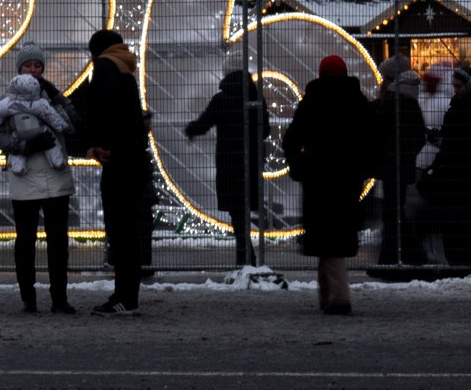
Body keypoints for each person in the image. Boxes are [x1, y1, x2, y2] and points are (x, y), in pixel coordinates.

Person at [69, 29, 150, 316]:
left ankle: (124, 298)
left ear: (95, 50)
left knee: (120, 233)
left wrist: (98, 145)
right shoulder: (125, 66)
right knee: (129, 232)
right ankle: (128, 295)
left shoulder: (105, 66)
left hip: (119, 162)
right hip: (135, 161)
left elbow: (104, 108)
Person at [285, 55, 373, 313]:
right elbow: (371, 138)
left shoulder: (313, 100)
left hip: (318, 179)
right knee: (336, 238)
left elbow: (292, 138)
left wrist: (299, 166)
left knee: (326, 240)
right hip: (347, 179)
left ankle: (337, 298)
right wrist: (364, 168)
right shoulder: (358, 101)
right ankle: (328, 295)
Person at [0, 71, 74, 313]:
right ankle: (28, 297)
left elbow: (72, 125)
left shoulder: (52, 99)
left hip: (55, 180)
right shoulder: (7, 103)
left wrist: (59, 99)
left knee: (58, 241)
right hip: (25, 179)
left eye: (37, 64)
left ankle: (59, 298)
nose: (33, 69)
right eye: (28, 65)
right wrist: (24, 146)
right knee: (25, 241)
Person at [182, 67, 265, 267]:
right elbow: (266, 129)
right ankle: (246, 258)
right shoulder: (256, 101)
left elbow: (204, 123)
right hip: (251, 163)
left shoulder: (222, 99)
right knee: (243, 211)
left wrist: (190, 129)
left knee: (237, 214)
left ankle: (245, 258)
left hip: (229, 163)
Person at [371, 61, 430, 272]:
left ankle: (397, 257)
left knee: (392, 212)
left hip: (389, 165)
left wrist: (384, 153)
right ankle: (407, 255)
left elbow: (378, 133)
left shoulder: (389, 103)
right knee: (397, 211)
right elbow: (419, 136)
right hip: (403, 166)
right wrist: (407, 154)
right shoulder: (410, 103)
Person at [419, 66, 471, 271]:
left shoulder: (455, 107)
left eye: (458, 86)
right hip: (455, 170)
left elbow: (456, 142)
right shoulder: (453, 105)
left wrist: (442, 142)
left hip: (455, 170)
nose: (455, 90)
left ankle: (458, 260)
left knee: (455, 220)